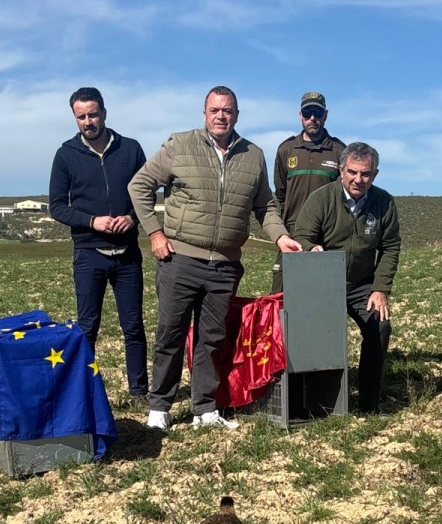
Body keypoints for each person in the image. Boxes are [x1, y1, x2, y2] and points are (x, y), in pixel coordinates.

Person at [128, 86, 302, 431]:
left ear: (236, 115)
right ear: (204, 113)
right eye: (215, 110)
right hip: (180, 259)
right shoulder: (180, 145)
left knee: (212, 338)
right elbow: (140, 185)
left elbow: (265, 206)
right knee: (170, 333)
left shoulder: (253, 155)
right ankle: (160, 407)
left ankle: (205, 409)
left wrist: (280, 236)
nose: (221, 116)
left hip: (224, 265)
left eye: (228, 110)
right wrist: (155, 233)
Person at [49, 87, 149, 407]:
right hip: (89, 254)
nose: (88, 122)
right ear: (74, 118)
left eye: (93, 114)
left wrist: (132, 218)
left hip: (127, 255)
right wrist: (92, 222)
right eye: (81, 117)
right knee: (88, 327)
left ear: (104, 113)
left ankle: (139, 392)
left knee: (133, 326)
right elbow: (56, 207)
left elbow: (146, 194)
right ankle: (85, 394)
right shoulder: (66, 155)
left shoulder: (131, 149)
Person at [293, 142, 401, 413]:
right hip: (323, 284)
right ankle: (317, 401)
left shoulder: (384, 202)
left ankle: (368, 402)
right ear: (341, 170)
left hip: (362, 285)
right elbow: (302, 235)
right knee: (318, 334)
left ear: (375, 175)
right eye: (352, 172)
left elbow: (390, 247)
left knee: (380, 326)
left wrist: (380, 288)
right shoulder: (321, 199)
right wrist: (310, 248)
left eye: (366, 174)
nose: (358, 179)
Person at [271, 92, 346, 292]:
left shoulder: (339, 151)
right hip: (293, 232)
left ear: (325, 115)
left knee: (323, 294)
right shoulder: (286, 149)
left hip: (326, 234)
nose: (312, 118)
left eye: (317, 113)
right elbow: (280, 193)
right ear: (300, 116)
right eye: (307, 113)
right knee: (281, 294)